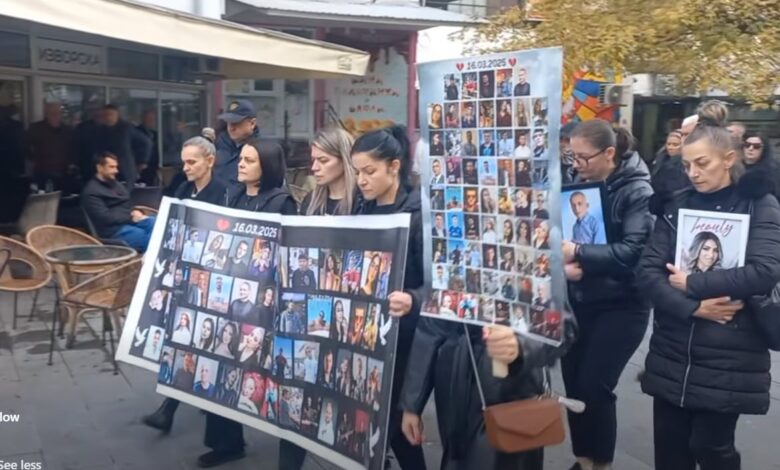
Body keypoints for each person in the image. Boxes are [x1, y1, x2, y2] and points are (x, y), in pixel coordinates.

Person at [638, 118, 780, 470]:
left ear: (729, 158)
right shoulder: (676, 204)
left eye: (703, 163)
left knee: (711, 448)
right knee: (670, 452)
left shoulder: (759, 204)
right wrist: (692, 308)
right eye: (687, 165)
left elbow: (765, 270)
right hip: (674, 347)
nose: (693, 173)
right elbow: (647, 272)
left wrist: (694, 284)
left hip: (729, 351)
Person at [199, 136, 298, 468]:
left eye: (249, 160)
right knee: (222, 363)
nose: (241, 164)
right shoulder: (236, 195)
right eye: (241, 158)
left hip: (263, 302)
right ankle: (227, 443)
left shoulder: (282, 202)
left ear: (267, 167)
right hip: (230, 296)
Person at [560, 120, 653, 470]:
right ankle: (583, 459)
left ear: (610, 153)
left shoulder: (637, 191)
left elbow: (633, 251)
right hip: (580, 298)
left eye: (584, 157)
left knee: (594, 386)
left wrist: (579, 251)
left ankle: (601, 463)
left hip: (622, 303)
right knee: (573, 387)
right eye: (572, 156)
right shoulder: (578, 182)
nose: (576, 164)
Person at [351, 125, 428, 470]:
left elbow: (442, 285)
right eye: (357, 173)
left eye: (369, 171)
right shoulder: (361, 210)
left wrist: (413, 299)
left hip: (407, 338)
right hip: (366, 333)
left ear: (394, 166)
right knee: (371, 418)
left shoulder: (418, 213)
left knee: (398, 423)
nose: (362, 180)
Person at [81, 153, 155, 252]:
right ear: (99, 167)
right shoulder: (91, 192)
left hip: (130, 221)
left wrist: (137, 211)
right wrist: (130, 216)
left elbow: (127, 202)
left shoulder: (115, 184)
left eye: (116, 167)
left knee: (160, 225)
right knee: (151, 240)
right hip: (114, 232)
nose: (116, 171)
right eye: (111, 167)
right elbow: (104, 217)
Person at [94, 104, 152, 185]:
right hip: (107, 169)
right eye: (106, 115)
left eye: (111, 115)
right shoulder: (100, 130)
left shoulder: (126, 128)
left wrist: (143, 161)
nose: (108, 118)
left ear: (117, 116)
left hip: (125, 169)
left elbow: (146, 142)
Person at [28, 101, 75, 191]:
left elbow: (73, 149)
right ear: (46, 114)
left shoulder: (68, 130)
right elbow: (25, 147)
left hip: (63, 173)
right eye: (52, 113)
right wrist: (34, 159)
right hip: (42, 172)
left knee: (63, 201)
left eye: (58, 113)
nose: (56, 116)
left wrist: (70, 163)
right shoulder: (35, 128)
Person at [214, 99, 260, 188]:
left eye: (236, 123)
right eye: (228, 123)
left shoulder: (263, 150)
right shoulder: (218, 144)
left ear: (252, 123)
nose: (231, 128)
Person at [174, 134, 229, 204]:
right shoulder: (183, 189)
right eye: (184, 163)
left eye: (191, 162)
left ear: (210, 161)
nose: (185, 168)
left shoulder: (225, 192)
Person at [650, 130, 690, 198]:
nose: (670, 147)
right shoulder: (659, 159)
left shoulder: (686, 163)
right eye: (668, 144)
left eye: (675, 144)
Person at [741, 132, 779, 198]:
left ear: (764, 149)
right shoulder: (735, 168)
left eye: (756, 146)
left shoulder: (772, 170)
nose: (750, 148)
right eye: (747, 145)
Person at [137, 109, 160, 185]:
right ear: (143, 119)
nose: (151, 121)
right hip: (141, 167)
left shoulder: (155, 134)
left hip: (153, 166)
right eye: (149, 118)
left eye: (153, 119)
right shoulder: (137, 132)